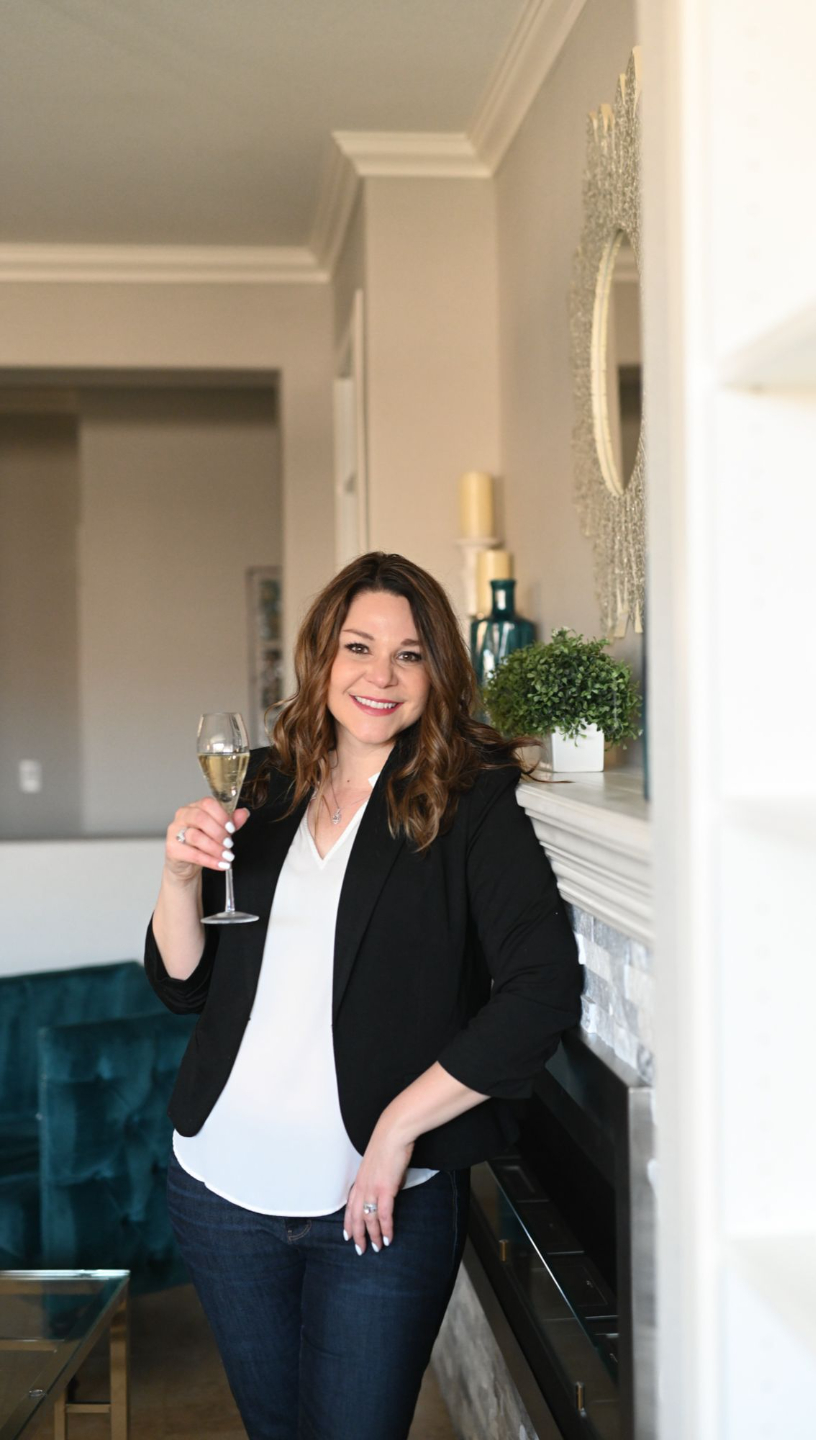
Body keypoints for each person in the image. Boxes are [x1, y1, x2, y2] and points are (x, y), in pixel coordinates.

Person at [144, 551, 583, 1440]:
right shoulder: (263, 783)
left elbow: (540, 991)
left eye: (408, 654)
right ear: (322, 657)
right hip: (221, 1188)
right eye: (358, 647)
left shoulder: (471, 802)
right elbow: (185, 984)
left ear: (437, 671)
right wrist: (178, 878)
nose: (380, 676)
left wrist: (396, 1130)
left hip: (380, 1203)